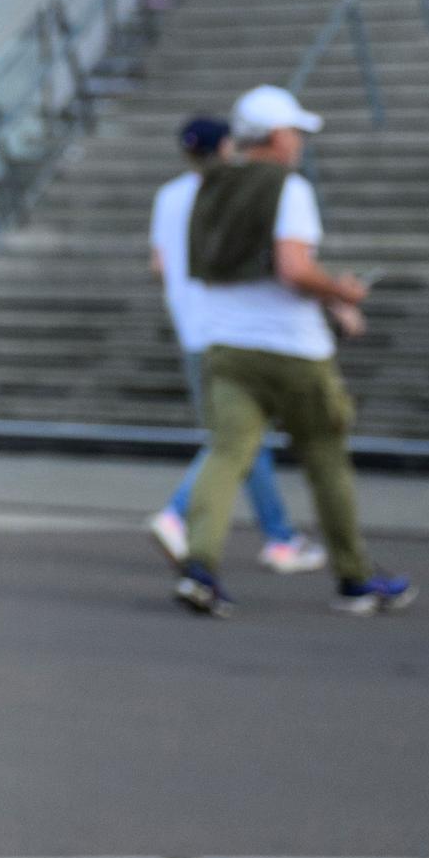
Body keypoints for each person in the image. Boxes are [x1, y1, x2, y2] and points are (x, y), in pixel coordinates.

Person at [170, 83, 410, 618]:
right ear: (277, 136)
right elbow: (294, 269)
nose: (299, 142)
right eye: (295, 132)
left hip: (225, 343)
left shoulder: (209, 187)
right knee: (325, 457)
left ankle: (201, 567)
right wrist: (341, 292)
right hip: (292, 348)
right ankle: (355, 578)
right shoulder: (288, 187)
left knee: (227, 453)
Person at [145, 115, 319, 577]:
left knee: (240, 436)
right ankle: (182, 515)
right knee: (237, 437)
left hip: (192, 326)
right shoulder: (232, 191)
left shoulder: (168, 195)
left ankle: (279, 536)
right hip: (231, 327)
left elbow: (159, 263)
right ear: (226, 147)